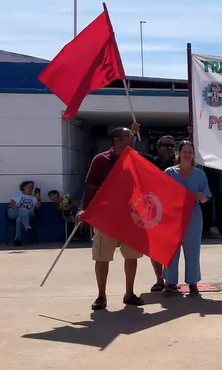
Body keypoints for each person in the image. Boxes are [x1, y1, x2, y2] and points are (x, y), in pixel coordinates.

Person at [76, 126, 144, 311]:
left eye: (132, 136)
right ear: (116, 140)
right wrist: (84, 209)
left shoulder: (133, 159)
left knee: (131, 256)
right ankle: (101, 296)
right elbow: (90, 186)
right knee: (102, 256)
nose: (132, 139)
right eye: (128, 136)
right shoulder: (100, 160)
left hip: (129, 216)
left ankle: (129, 293)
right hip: (106, 217)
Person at [162, 140, 212, 296]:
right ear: (179, 153)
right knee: (171, 250)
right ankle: (170, 282)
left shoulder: (200, 174)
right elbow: (161, 193)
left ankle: (193, 282)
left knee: (193, 249)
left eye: (190, 152)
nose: (187, 154)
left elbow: (207, 195)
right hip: (173, 217)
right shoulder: (169, 172)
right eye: (185, 151)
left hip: (193, 216)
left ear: (193, 154)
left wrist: (202, 197)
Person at [148, 135, 176, 293]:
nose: (169, 148)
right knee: (156, 248)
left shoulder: (179, 164)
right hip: (154, 211)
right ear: (159, 147)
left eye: (172, 146)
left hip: (173, 212)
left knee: (172, 248)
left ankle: (170, 279)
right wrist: (133, 132)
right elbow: (129, 152)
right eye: (166, 145)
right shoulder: (151, 162)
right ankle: (159, 279)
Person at [8, 181, 41, 246]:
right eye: (30, 186)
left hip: (29, 214)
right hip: (14, 212)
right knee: (21, 210)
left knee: (19, 218)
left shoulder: (34, 198)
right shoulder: (17, 194)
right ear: (24, 187)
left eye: (32, 187)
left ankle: (17, 239)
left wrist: (38, 199)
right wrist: (15, 207)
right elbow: (11, 204)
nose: (31, 188)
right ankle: (28, 227)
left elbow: (37, 208)